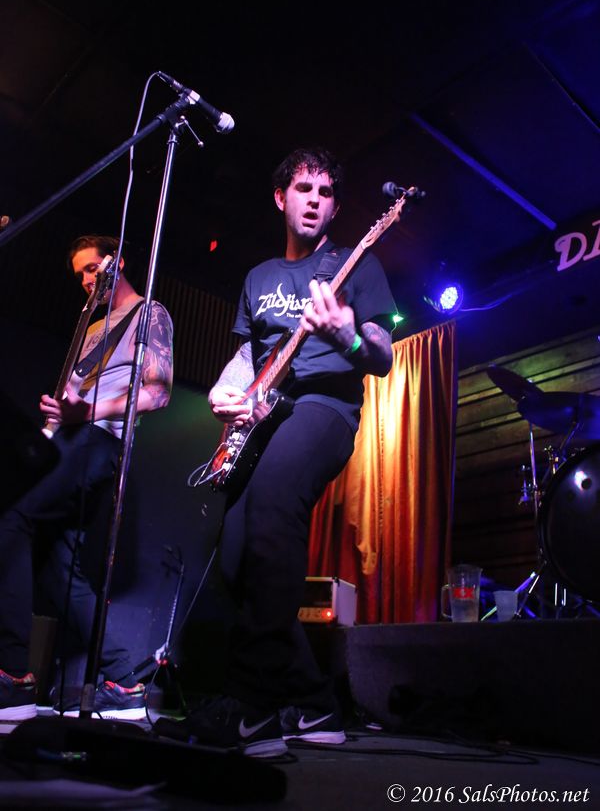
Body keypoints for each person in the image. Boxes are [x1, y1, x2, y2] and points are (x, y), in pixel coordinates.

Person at [162, 147, 397, 757]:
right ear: (280, 197)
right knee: (238, 557)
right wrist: (225, 391)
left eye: (326, 191)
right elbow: (249, 356)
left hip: (325, 406)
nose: (314, 199)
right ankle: (314, 705)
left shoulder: (356, 263)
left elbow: (381, 353)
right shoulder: (259, 278)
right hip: (267, 414)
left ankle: (253, 704)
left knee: (271, 508)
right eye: (303, 188)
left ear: (335, 207)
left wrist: (346, 336)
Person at [0, 235, 173, 722]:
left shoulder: (149, 313)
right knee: (60, 570)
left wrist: (87, 412)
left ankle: (12, 674)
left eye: (93, 268)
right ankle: (124, 679)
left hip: (100, 440)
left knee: (13, 519)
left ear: (118, 262)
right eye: (80, 274)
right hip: (70, 440)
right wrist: (56, 418)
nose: (86, 280)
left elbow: (157, 394)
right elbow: (72, 400)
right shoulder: (92, 329)